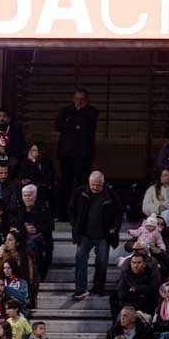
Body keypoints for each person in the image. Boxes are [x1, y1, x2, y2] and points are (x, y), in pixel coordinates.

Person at [69, 171, 122, 301]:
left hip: (103, 236)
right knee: (80, 259)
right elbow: (71, 209)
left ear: (103, 184)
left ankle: (98, 289)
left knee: (102, 263)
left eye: (98, 185)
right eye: (92, 185)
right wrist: (75, 225)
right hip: (84, 235)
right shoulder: (80, 192)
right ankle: (80, 289)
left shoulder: (110, 194)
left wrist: (114, 227)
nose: (95, 188)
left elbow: (118, 212)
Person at [56, 88, 99, 217]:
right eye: (77, 99)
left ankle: (82, 212)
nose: (79, 102)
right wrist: (76, 126)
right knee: (66, 184)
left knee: (83, 184)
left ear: (87, 100)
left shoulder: (93, 112)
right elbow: (58, 126)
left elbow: (87, 126)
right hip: (66, 154)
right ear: (73, 99)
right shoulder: (65, 111)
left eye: (82, 99)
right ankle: (64, 213)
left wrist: (70, 124)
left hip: (84, 154)